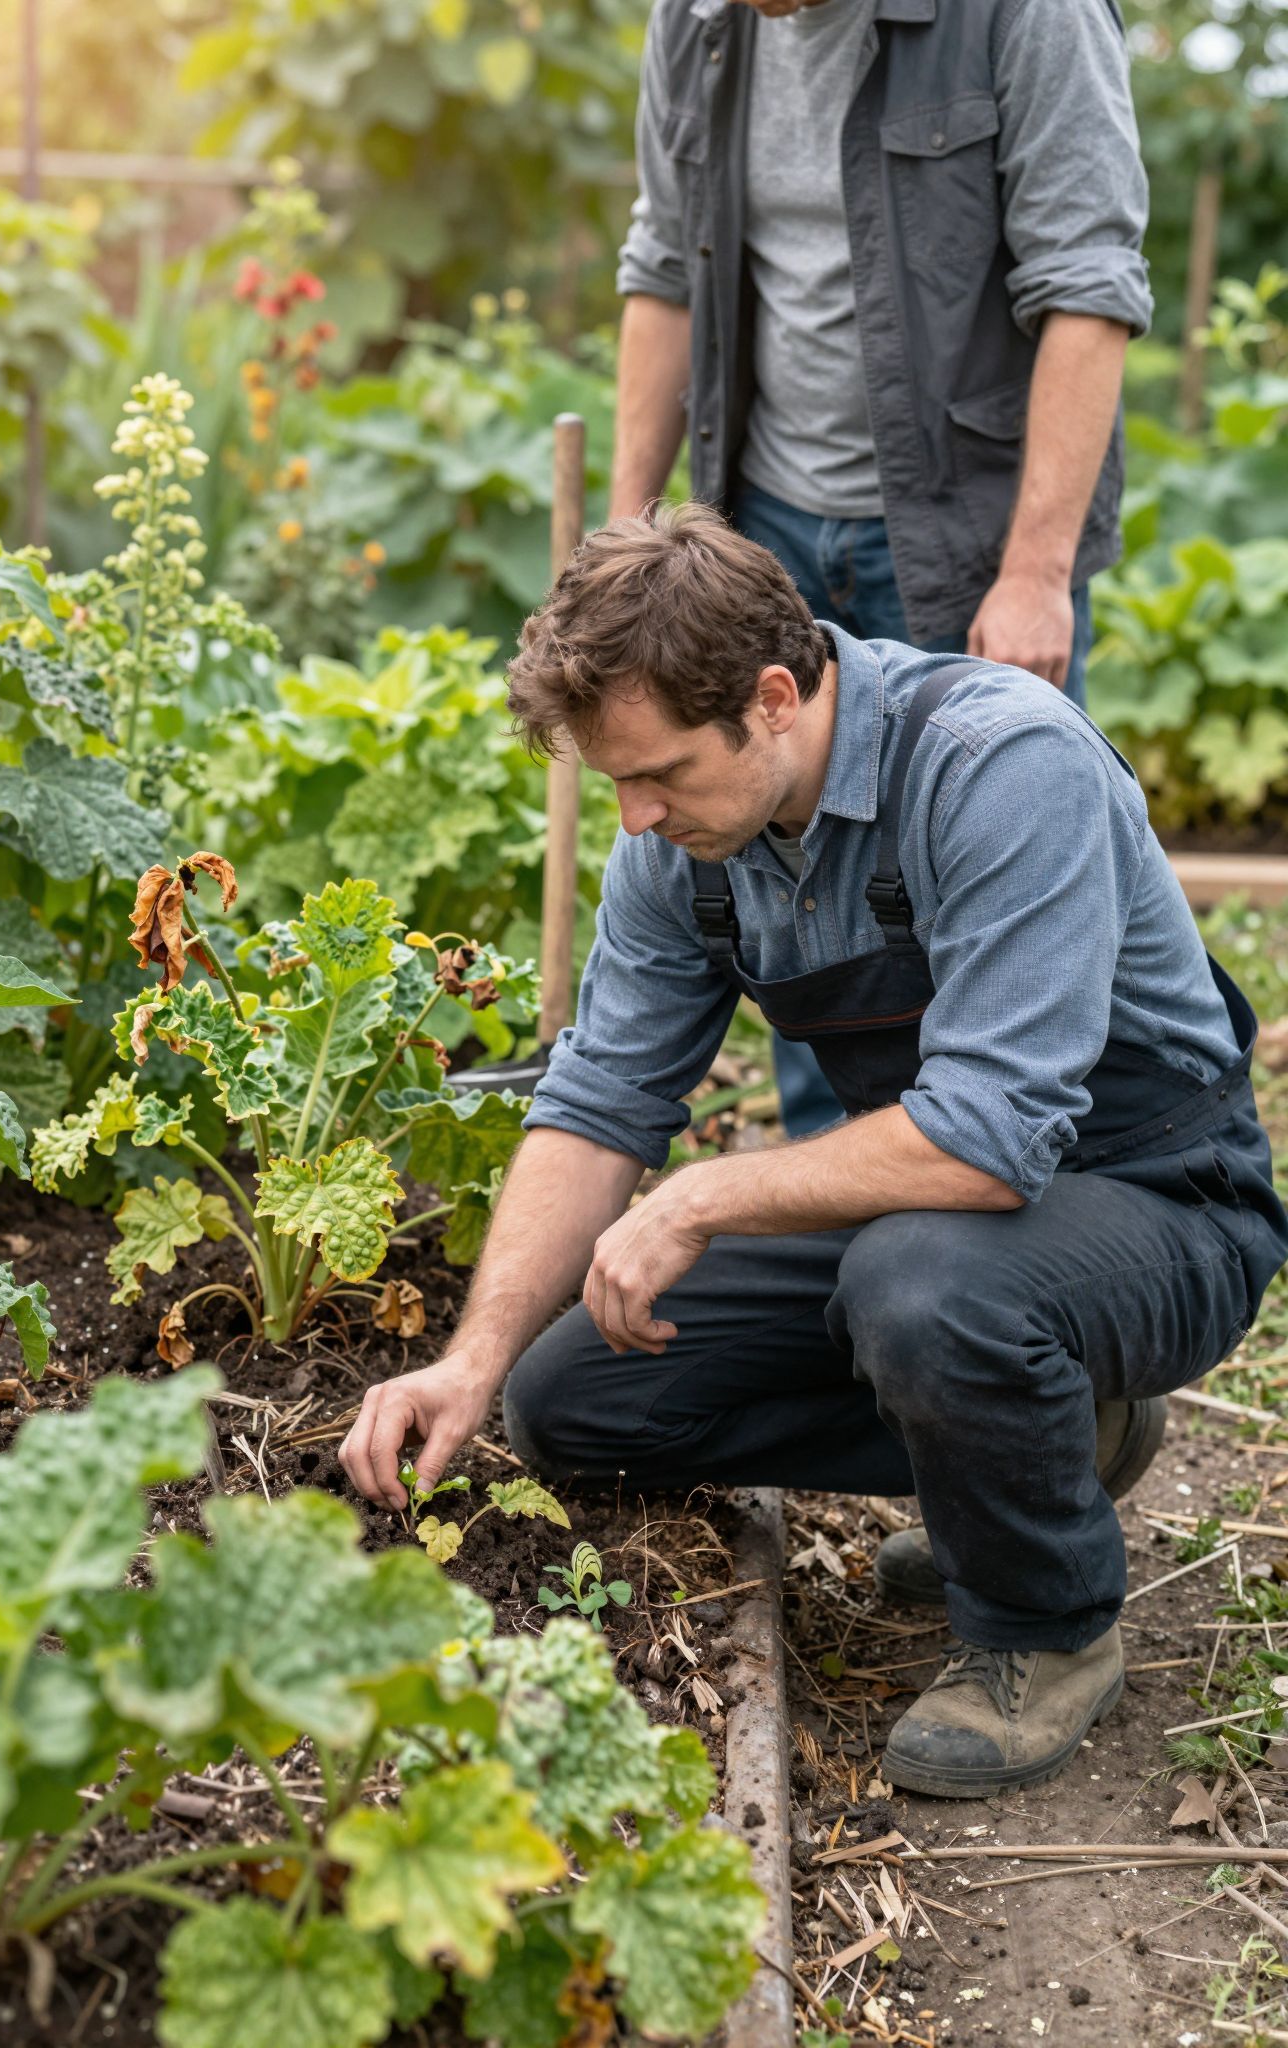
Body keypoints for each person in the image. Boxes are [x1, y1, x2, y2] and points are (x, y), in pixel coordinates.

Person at [338, 506, 1288, 1798]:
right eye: (614, 780)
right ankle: (1045, 1449)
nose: (634, 816)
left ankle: (1044, 1628)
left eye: (658, 772)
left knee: (926, 1291)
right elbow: (603, 1100)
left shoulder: (998, 765)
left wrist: (707, 1196)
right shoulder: (691, 849)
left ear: (774, 697)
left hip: (1159, 1201)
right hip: (939, 1201)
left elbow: (996, 1138)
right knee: (577, 1403)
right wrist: (469, 1359)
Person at [611, 0, 1152, 1136]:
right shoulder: (703, 19)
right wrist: (627, 549)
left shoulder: (1028, 14)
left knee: (993, 885)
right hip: (762, 524)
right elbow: (664, 265)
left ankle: (1047, 1211)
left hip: (966, 541)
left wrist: (1036, 572)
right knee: (799, 896)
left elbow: (1088, 283)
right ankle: (837, 1224)